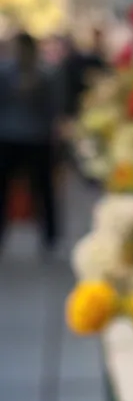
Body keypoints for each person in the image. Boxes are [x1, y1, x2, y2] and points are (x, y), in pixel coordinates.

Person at [0, 32, 61, 250]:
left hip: (36, 138)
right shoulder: (5, 72)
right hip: (11, 137)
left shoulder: (45, 74)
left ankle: (50, 234)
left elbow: (54, 107)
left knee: (43, 188)